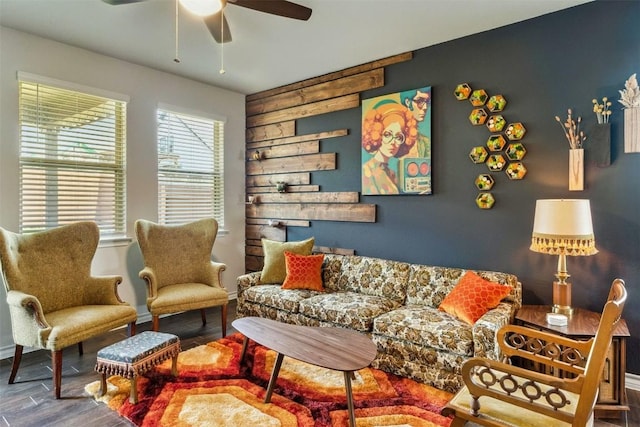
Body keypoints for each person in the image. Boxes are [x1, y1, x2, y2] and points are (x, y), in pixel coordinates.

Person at [362, 102, 418, 195]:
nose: (393, 142)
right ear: (377, 134)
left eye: (398, 137)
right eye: (387, 134)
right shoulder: (366, 171)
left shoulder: (393, 174)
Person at [401, 88, 431, 158]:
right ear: (408, 103)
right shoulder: (393, 135)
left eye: (427, 102)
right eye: (420, 101)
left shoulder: (425, 141)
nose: (425, 107)